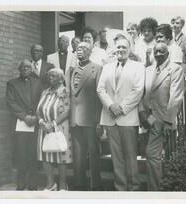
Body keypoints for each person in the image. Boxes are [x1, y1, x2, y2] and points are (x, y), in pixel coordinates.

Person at [97, 34, 144, 191]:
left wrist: (121, 108)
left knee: (130, 156)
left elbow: (138, 90)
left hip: (128, 117)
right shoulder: (107, 67)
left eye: (124, 47)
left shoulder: (138, 67)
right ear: (114, 49)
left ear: (130, 49)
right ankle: (121, 188)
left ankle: (134, 188)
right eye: (118, 47)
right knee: (116, 157)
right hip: (111, 117)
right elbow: (100, 89)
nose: (121, 50)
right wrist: (111, 106)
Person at [139, 43, 184, 191]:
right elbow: (142, 93)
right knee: (153, 155)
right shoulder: (148, 70)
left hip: (163, 119)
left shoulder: (175, 69)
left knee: (154, 154)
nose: (158, 54)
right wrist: (142, 113)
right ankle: (158, 188)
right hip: (148, 119)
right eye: (156, 51)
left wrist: (169, 122)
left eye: (161, 51)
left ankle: (156, 191)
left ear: (168, 53)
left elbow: (176, 97)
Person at [69, 42, 103, 191]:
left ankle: (95, 184)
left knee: (93, 152)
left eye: (83, 49)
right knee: (77, 154)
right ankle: (79, 183)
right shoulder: (71, 70)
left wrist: (98, 120)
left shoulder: (97, 68)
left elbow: (99, 95)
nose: (79, 51)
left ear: (89, 52)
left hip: (90, 118)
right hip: (74, 118)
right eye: (77, 49)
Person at [6, 59, 43, 190]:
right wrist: (24, 116)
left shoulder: (38, 83)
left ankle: (32, 183)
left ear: (32, 69)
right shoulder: (12, 83)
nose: (26, 69)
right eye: (23, 67)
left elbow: (42, 101)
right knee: (20, 153)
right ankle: (21, 183)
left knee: (33, 153)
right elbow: (11, 102)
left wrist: (35, 117)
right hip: (20, 123)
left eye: (28, 67)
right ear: (19, 69)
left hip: (35, 122)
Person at [36, 68, 72, 191]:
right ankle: (51, 184)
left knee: (60, 156)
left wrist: (53, 123)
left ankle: (63, 185)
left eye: (54, 76)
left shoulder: (65, 91)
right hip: (44, 129)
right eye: (49, 76)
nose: (51, 78)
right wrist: (41, 122)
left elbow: (67, 110)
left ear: (61, 79)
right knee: (45, 156)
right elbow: (38, 110)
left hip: (59, 127)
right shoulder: (45, 92)